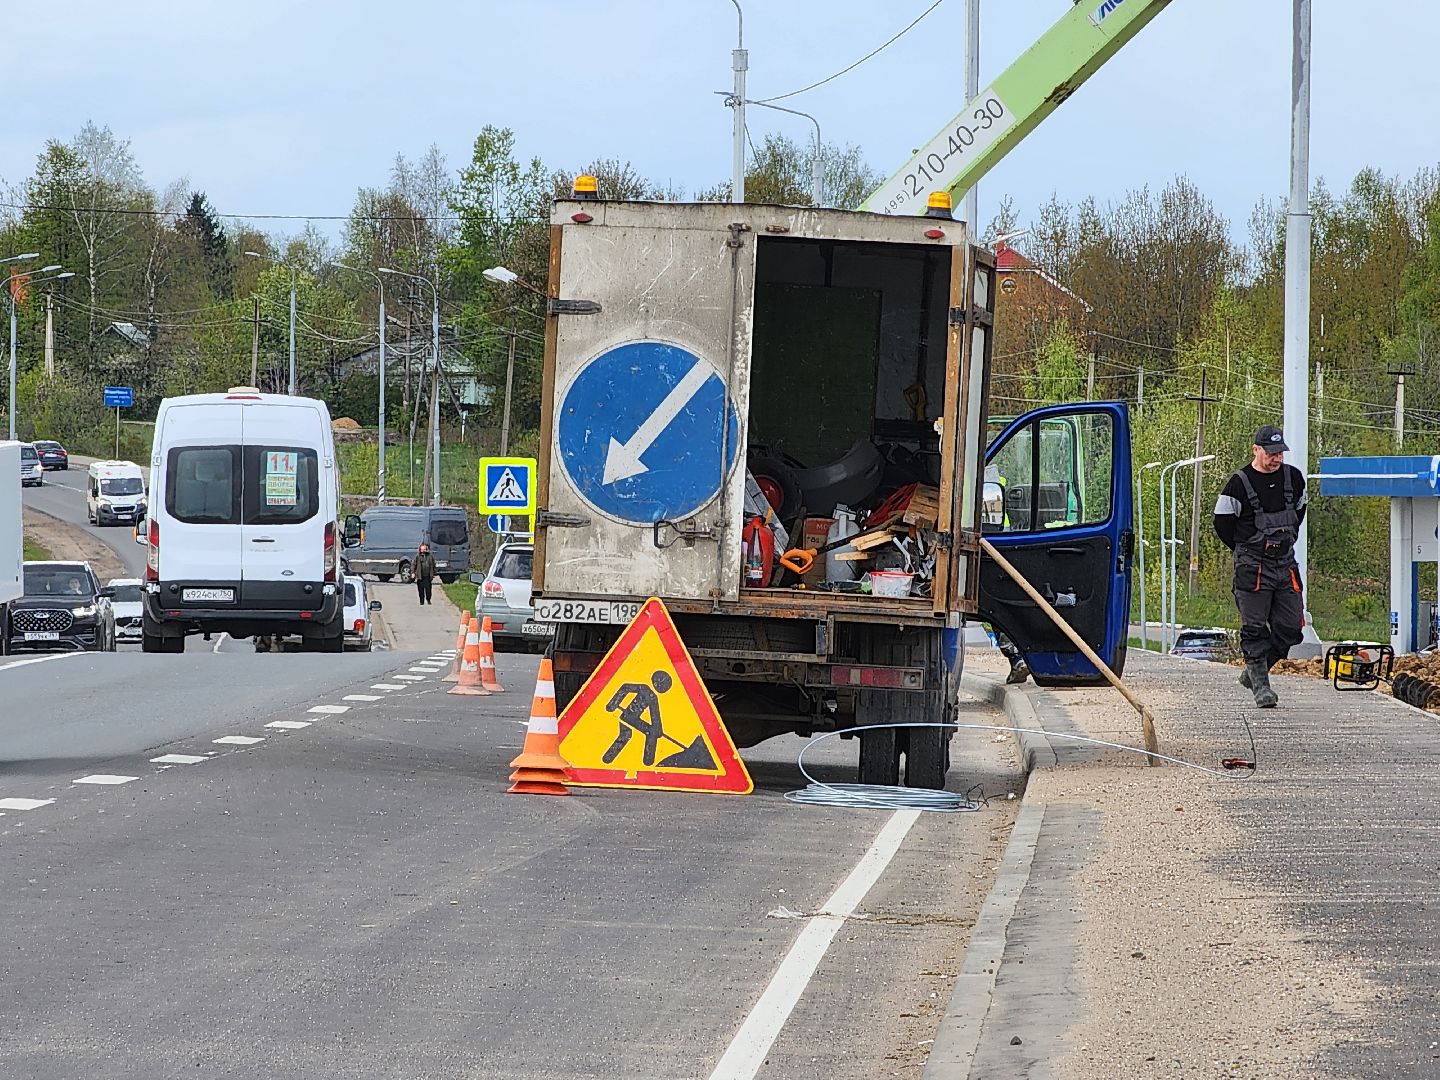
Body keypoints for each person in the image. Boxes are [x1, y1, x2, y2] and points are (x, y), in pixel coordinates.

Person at [1212, 425, 1307, 708]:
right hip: (1252, 566)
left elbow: (1299, 511)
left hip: (1284, 564)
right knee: (1254, 628)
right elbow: (1222, 523)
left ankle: (1254, 671)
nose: (1276, 458)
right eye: (1271, 453)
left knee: (1291, 627)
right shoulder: (1238, 483)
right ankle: (1262, 688)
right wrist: (1245, 548)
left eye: (1280, 453)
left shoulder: (1294, 478)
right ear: (1256, 450)